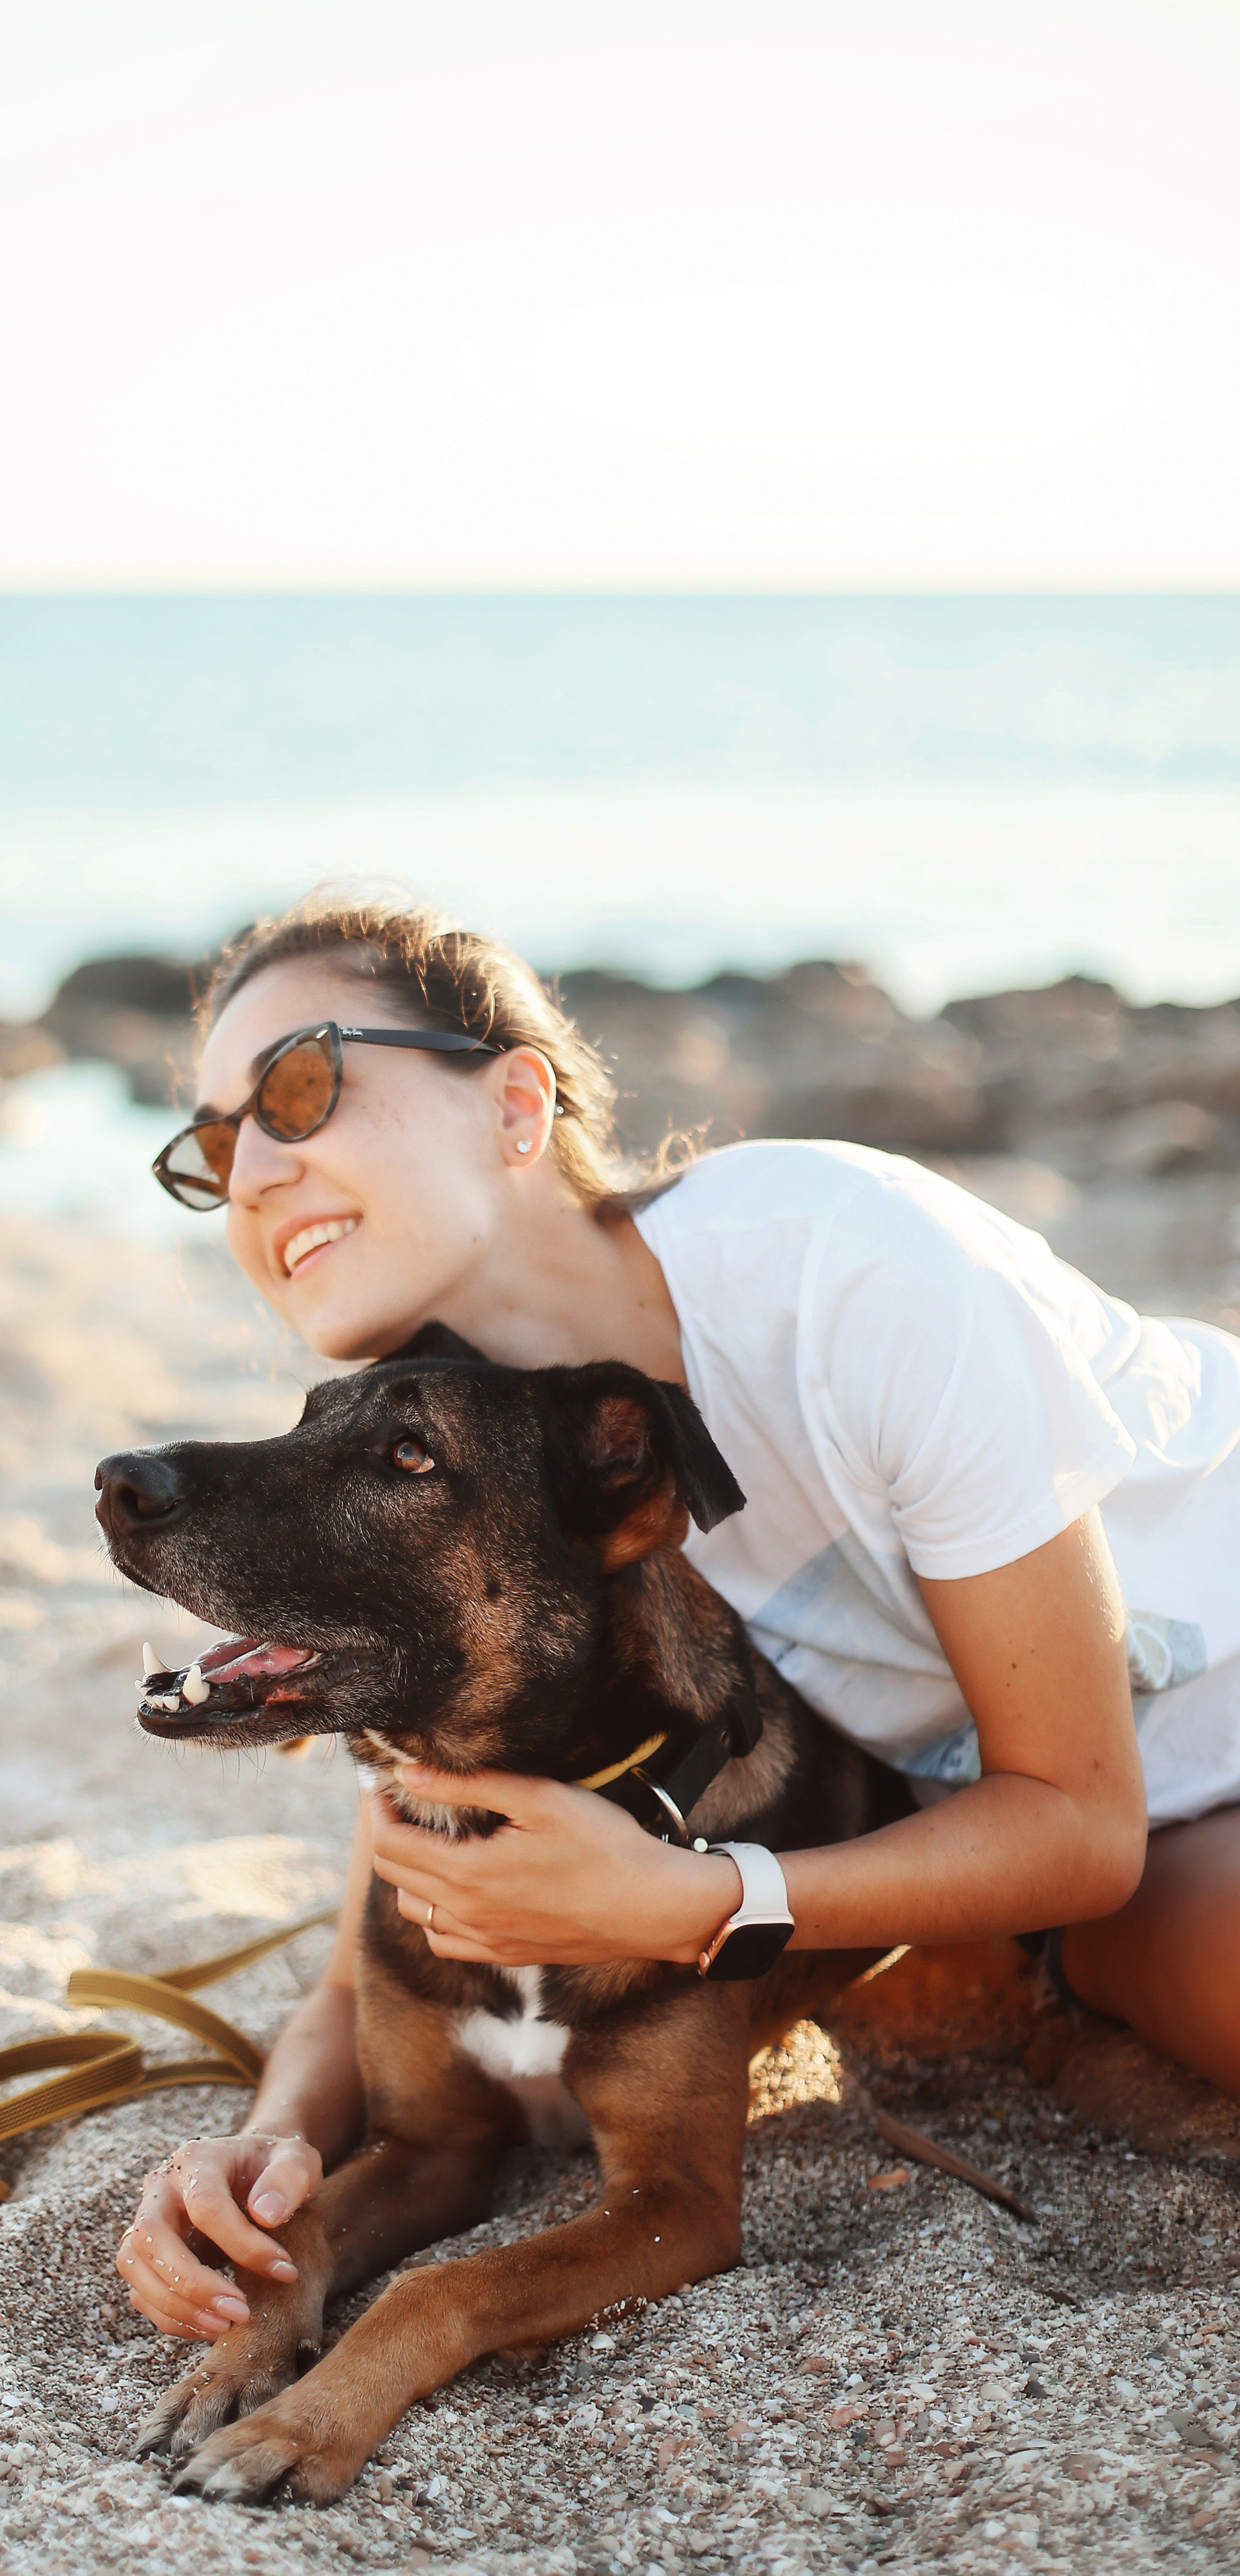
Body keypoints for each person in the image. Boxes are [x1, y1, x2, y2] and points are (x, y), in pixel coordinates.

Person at [116, 890, 1240, 2345]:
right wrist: (269, 2143)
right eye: (213, 1149)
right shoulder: (467, 1455)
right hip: (1091, 1855)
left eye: (299, 1090)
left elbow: (1074, 1821)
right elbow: (396, 1893)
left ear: (515, 1103)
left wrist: (701, 1900)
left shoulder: (846, 1272)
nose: (253, 1170)